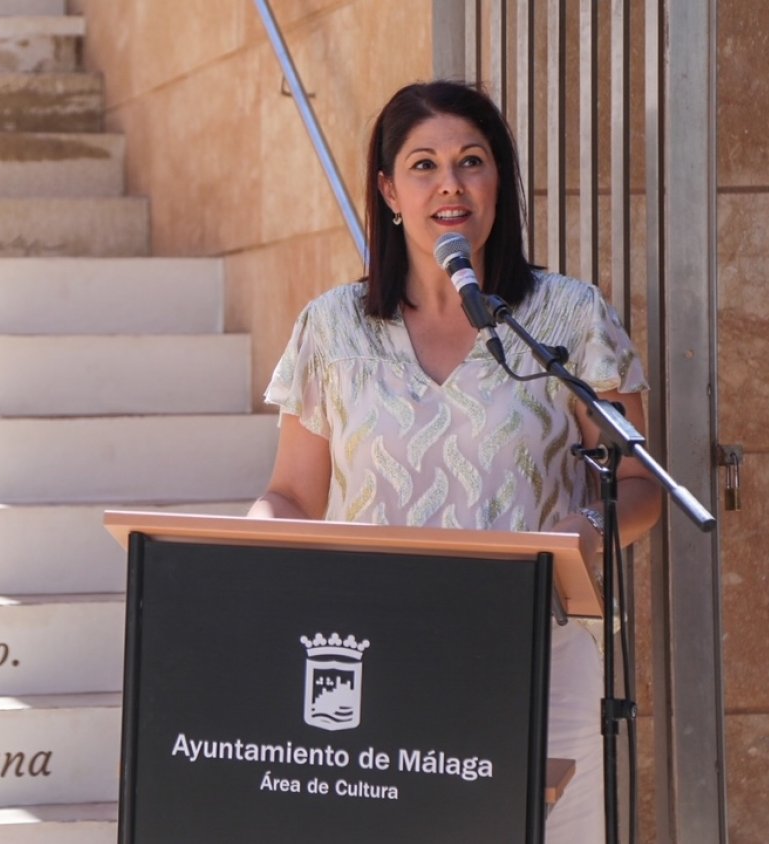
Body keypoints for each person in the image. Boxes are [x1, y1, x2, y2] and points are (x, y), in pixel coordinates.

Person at [248, 79, 661, 842]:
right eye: (424, 164)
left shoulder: (566, 317)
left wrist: (582, 532)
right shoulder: (332, 328)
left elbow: (638, 485)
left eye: (471, 161)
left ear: (497, 180)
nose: (450, 184)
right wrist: (254, 538)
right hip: (377, 654)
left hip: (539, 656)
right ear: (387, 189)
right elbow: (291, 495)